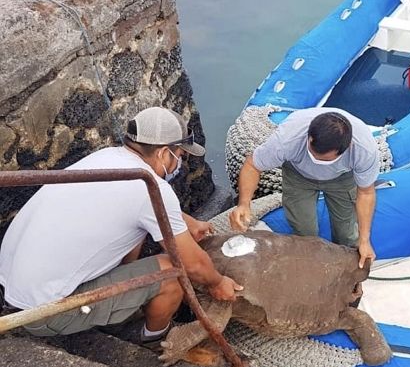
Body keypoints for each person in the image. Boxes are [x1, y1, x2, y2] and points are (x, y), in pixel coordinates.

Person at [0, 107, 242, 341]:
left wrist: (183, 221)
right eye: (179, 156)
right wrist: (218, 283)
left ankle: (127, 304)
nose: (179, 163)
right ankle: (153, 338)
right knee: (173, 271)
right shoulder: (151, 186)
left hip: (13, 288)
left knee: (139, 235)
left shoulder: (105, 157)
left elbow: (133, 208)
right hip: (43, 312)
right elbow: (194, 264)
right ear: (163, 153)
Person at [229, 108, 380, 268]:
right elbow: (253, 165)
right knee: (304, 229)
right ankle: (311, 266)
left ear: (346, 148)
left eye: (323, 158)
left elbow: (366, 192)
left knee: (347, 232)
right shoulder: (288, 138)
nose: (315, 159)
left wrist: (364, 240)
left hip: (341, 178)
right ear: (309, 136)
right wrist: (244, 204)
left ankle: (347, 268)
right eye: (312, 151)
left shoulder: (364, 149)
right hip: (298, 175)